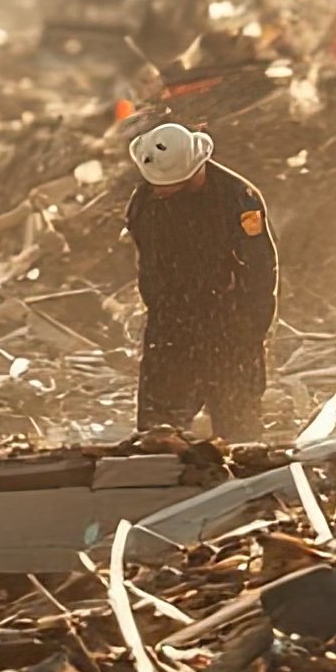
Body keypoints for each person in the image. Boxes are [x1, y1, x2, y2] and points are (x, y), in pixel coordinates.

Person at [123, 122, 279, 438]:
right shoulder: (146, 202)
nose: (157, 189)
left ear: (192, 172)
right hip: (171, 322)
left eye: (165, 184)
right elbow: (147, 261)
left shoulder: (239, 198)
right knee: (159, 425)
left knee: (238, 422)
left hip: (229, 320)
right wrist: (159, 310)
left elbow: (261, 269)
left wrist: (252, 329)